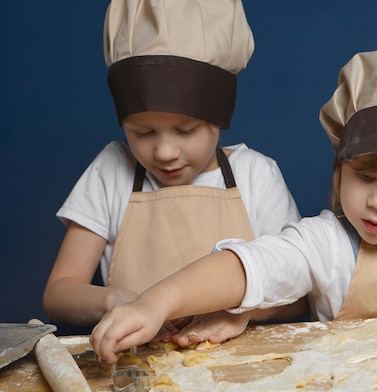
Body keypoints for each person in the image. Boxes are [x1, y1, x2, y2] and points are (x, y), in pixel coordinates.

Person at [91, 46, 377, 363]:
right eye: (365, 177)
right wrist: (156, 303)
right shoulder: (325, 244)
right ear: (339, 168)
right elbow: (248, 267)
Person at [42, 0, 302, 345]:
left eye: (185, 131)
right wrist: (114, 300)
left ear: (219, 119)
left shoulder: (255, 174)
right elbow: (58, 293)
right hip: (137, 370)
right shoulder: (111, 170)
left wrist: (241, 310)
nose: (164, 152)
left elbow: (297, 293)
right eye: (143, 132)